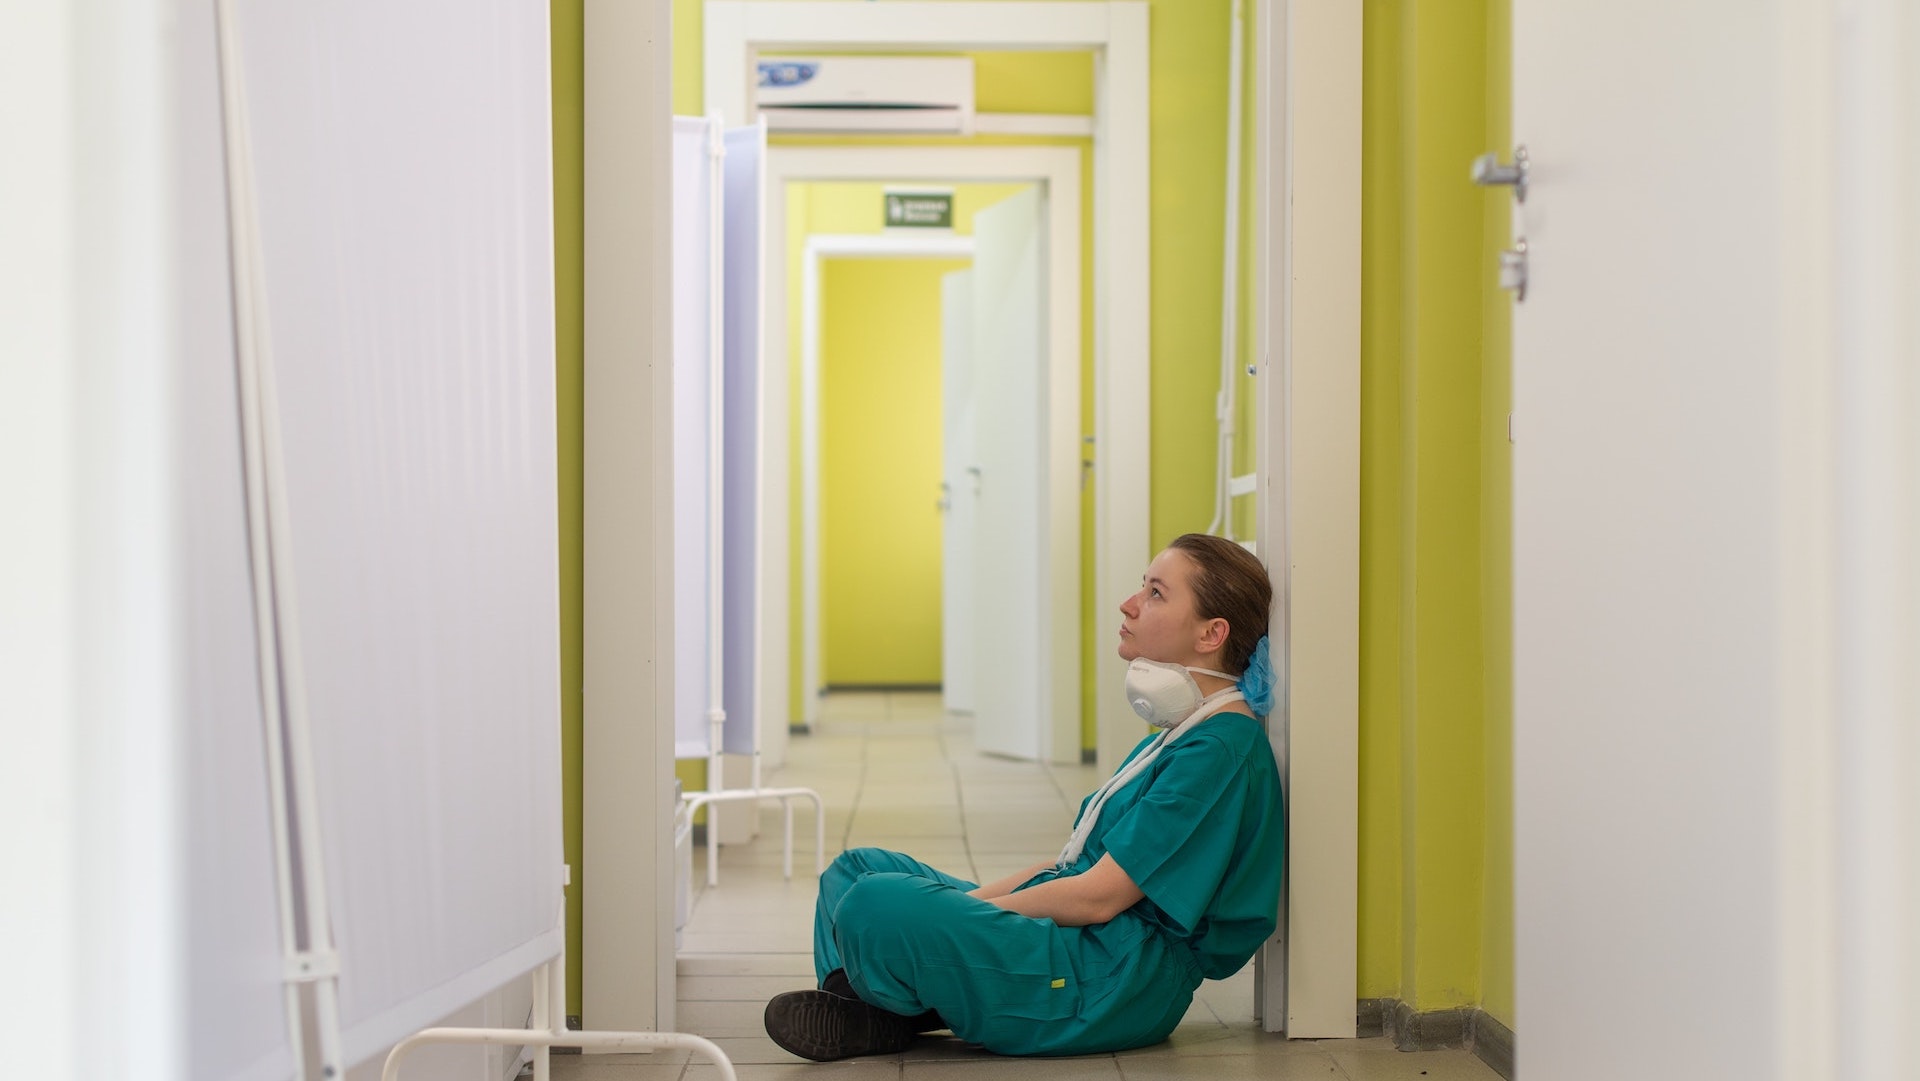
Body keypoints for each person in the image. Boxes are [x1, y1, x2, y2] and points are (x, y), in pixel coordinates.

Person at [763, 533, 1285, 1060]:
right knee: (853, 872)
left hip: (1110, 980)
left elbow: (1097, 897)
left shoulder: (1218, 752)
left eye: (1155, 593)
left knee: (873, 905)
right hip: (1084, 945)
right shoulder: (1186, 732)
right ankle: (883, 1013)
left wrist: (962, 920)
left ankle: (877, 1009)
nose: (1129, 604)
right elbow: (1068, 867)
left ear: (1211, 633)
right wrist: (957, 916)